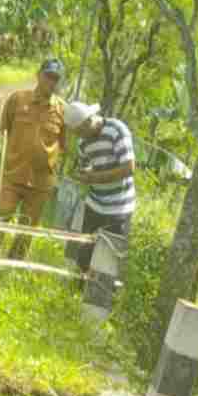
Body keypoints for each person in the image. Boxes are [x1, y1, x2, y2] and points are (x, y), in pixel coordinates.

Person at [0, 58, 68, 259]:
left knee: (27, 228)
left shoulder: (62, 110)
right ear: (38, 75)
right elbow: (4, 130)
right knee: (2, 214)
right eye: (48, 77)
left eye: (55, 79)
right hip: (13, 173)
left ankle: (13, 265)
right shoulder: (17, 99)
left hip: (41, 181)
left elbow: (64, 145)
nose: (51, 82)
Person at [63, 101, 135, 277]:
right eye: (77, 133)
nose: (80, 136)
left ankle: (100, 299)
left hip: (119, 206)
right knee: (85, 252)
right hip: (95, 203)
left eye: (81, 131)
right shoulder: (83, 143)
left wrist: (95, 177)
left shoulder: (117, 130)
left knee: (109, 259)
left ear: (89, 120)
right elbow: (89, 166)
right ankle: (77, 290)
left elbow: (129, 168)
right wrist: (85, 174)